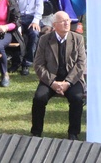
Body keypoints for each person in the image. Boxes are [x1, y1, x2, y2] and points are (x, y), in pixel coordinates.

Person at [30, 11, 86, 140]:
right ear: (55, 25)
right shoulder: (45, 40)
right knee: (39, 98)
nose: (67, 23)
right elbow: (38, 65)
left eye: (68, 20)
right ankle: (36, 132)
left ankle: (73, 133)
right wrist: (52, 83)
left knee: (77, 99)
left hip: (73, 79)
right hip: (50, 79)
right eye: (63, 21)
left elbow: (81, 64)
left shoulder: (78, 39)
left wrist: (68, 83)